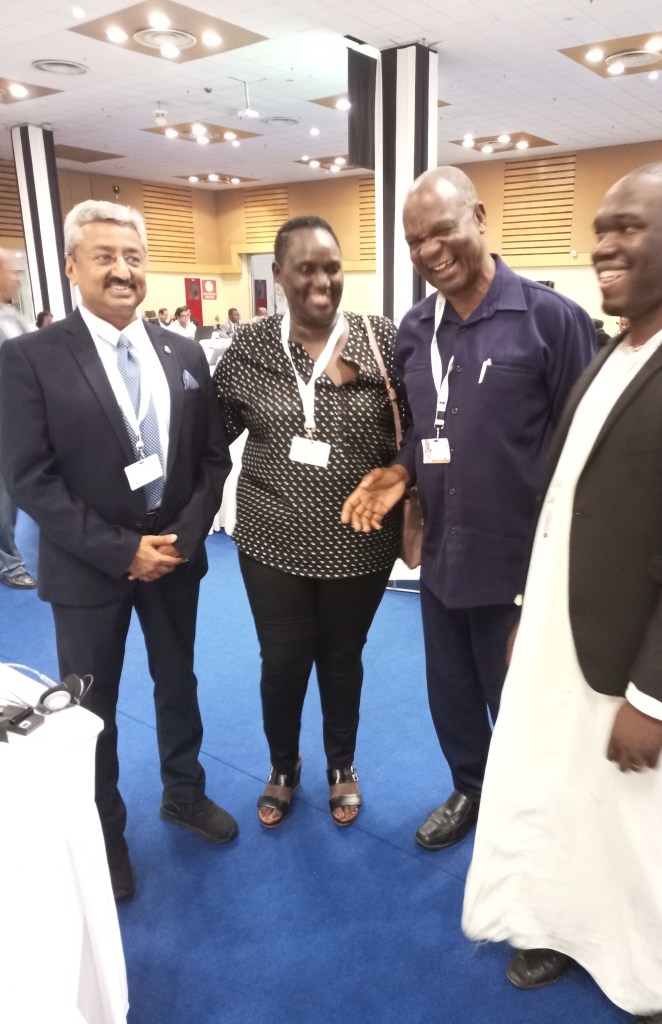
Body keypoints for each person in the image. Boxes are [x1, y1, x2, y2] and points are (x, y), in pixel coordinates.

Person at [462, 163, 662, 1024]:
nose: (604, 245)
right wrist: (530, 613)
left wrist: (655, 695)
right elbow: (565, 505)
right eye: (600, 228)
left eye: (628, 226)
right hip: (564, 637)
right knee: (562, 796)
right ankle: (564, 928)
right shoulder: (612, 352)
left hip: (645, 662)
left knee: (649, 835)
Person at [341, 166, 595, 850]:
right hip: (443, 558)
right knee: (450, 695)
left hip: (519, 566)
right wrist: (401, 470)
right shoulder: (415, 330)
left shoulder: (552, 319)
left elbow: (586, 451)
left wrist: (568, 578)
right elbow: (426, 430)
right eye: (414, 241)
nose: (429, 251)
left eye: (442, 230)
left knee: (523, 708)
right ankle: (472, 789)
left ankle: (535, 819)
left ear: (479, 218)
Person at [0, 200, 237, 901]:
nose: (122, 270)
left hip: (174, 561)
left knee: (178, 682)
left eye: (133, 257)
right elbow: (31, 479)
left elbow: (212, 459)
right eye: (104, 256)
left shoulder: (181, 352)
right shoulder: (29, 359)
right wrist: (122, 550)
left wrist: (182, 539)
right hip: (87, 569)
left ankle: (184, 793)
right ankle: (104, 835)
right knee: (89, 708)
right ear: (72, 266)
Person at [214, 215, 400, 829]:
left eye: (332, 268)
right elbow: (211, 438)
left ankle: (341, 764)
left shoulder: (379, 339)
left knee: (343, 657)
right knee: (283, 661)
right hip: (271, 540)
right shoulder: (250, 348)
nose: (322, 281)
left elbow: (417, 429)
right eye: (306, 269)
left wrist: (400, 475)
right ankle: (283, 765)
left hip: (360, 543)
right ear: (278, 275)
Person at [0, 249, 36, 590]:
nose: (14, 277)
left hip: (28, 419)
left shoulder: (14, 317)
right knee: (4, 496)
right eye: (7, 271)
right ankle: (9, 564)